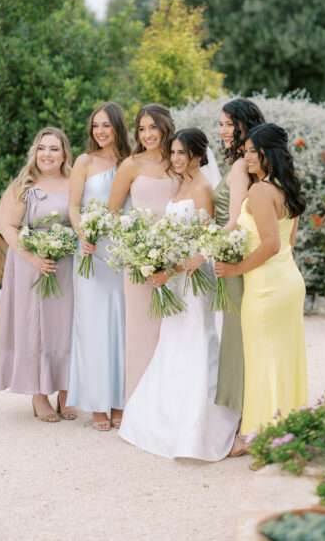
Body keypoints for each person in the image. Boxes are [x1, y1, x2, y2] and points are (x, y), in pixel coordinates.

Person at [119, 128, 239, 460]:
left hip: (192, 280)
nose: (175, 158)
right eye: (173, 153)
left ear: (199, 155)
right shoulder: (180, 184)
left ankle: (198, 429)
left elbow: (203, 246)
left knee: (197, 340)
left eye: (182, 153)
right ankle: (163, 421)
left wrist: (168, 270)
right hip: (176, 278)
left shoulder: (201, 189)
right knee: (173, 340)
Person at [215, 123, 308, 445]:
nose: (246, 155)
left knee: (261, 362)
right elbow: (289, 240)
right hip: (289, 281)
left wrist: (235, 267)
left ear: (268, 153)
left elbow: (270, 245)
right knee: (285, 360)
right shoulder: (287, 187)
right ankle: (288, 431)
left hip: (266, 287)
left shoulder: (259, 191)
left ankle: (263, 439)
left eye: (253, 150)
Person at [0, 127, 76, 423]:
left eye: (54, 148)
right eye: (42, 148)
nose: (47, 154)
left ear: (65, 153)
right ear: (35, 152)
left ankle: (67, 390)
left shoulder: (74, 183)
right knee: (36, 326)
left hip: (66, 265)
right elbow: (7, 226)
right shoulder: (23, 185)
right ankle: (39, 394)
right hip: (30, 265)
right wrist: (33, 257)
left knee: (66, 324)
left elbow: (81, 220)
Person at [67, 103, 131, 431]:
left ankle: (119, 399)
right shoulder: (84, 162)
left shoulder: (129, 163)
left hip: (119, 253)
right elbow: (73, 206)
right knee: (92, 326)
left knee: (120, 324)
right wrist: (83, 234)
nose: (100, 131)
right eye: (95, 126)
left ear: (118, 127)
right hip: (91, 251)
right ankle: (97, 404)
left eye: (106, 125)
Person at [108, 104, 179, 400]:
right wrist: (136, 250)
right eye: (141, 128)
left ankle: (170, 401)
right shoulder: (131, 165)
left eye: (153, 127)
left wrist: (176, 251)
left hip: (176, 260)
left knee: (175, 331)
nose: (147, 134)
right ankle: (138, 402)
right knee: (142, 330)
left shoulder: (179, 162)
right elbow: (112, 212)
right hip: (138, 261)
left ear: (166, 127)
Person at [215, 99, 265, 431]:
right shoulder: (243, 164)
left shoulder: (238, 167)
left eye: (227, 124)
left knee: (237, 338)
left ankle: (245, 420)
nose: (221, 130)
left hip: (232, 256)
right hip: (234, 253)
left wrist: (203, 246)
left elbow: (234, 220)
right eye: (220, 124)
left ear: (242, 126)